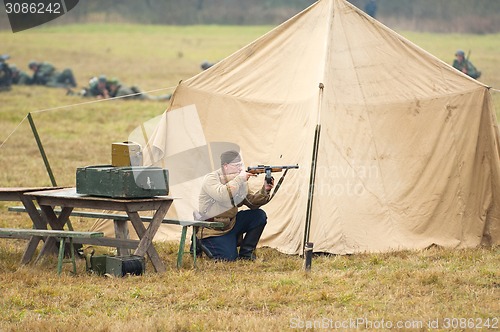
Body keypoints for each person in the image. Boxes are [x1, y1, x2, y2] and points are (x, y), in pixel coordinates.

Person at [196, 150, 274, 261]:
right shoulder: (211, 179)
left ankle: (247, 254)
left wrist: (265, 190)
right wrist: (240, 179)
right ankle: (199, 241)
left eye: (241, 165)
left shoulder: (237, 179)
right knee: (228, 259)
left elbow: (251, 202)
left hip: (231, 223)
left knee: (259, 216)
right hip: (213, 228)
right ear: (226, 166)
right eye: (237, 166)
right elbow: (222, 195)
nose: (240, 169)